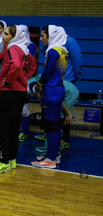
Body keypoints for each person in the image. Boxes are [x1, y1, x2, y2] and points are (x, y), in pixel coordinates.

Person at [0, 25, 29, 174]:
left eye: (6, 34)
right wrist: (24, 79)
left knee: (1, 126)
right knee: (13, 126)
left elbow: (16, 65)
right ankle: (11, 158)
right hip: (19, 92)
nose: (3, 36)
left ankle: (4, 160)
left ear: (14, 36)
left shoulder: (13, 49)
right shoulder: (22, 49)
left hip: (11, 91)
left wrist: (9, 80)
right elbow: (30, 65)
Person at [31, 25, 68, 169]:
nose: (41, 39)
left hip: (51, 92)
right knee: (56, 125)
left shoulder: (53, 52)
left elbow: (47, 72)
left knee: (51, 126)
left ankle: (51, 159)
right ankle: (54, 154)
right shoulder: (62, 50)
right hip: (57, 90)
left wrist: (39, 84)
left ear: (51, 36)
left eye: (43, 36)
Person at [18, 25, 39, 142]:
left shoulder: (30, 46)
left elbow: (25, 60)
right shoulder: (14, 44)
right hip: (15, 78)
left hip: (25, 79)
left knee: (23, 106)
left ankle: (25, 131)